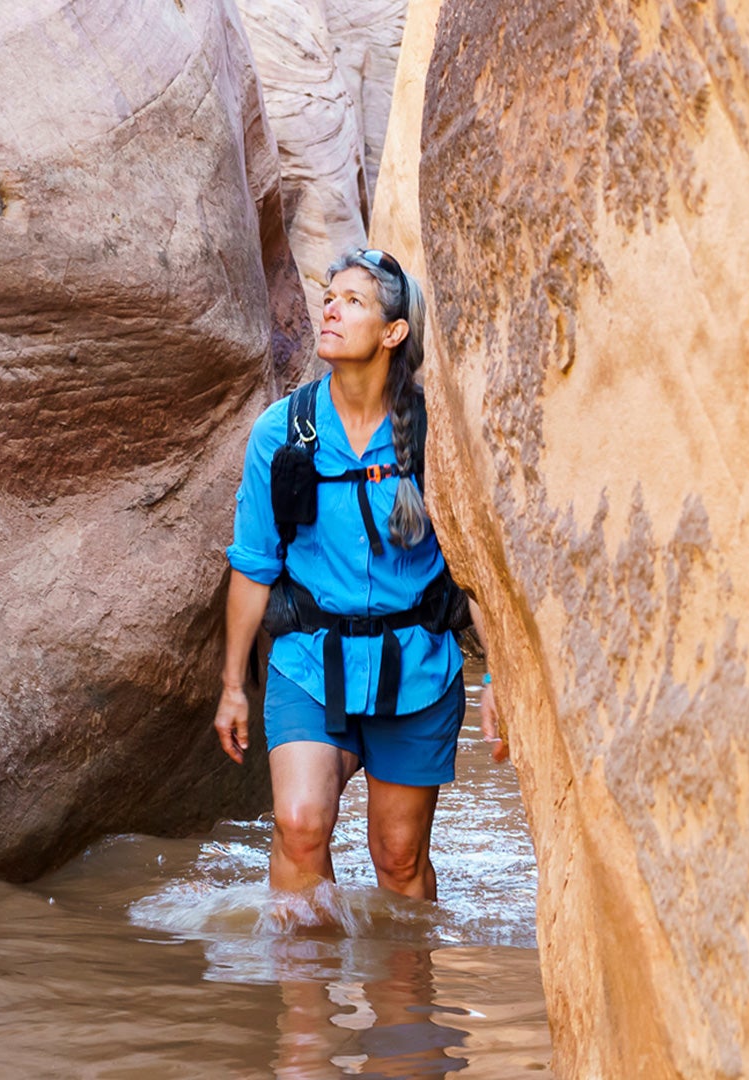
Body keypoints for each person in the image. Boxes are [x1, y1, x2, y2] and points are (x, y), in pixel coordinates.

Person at [212, 247, 503, 904]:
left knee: (398, 861)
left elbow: (478, 572)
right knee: (300, 824)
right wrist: (233, 685)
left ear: (393, 333)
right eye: (330, 296)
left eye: (353, 301)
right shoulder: (282, 435)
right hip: (310, 665)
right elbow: (253, 567)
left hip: (419, 670)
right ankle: (307, 997)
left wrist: (498, 678)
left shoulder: (436, 436)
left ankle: (404, 1000)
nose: (331, 308)